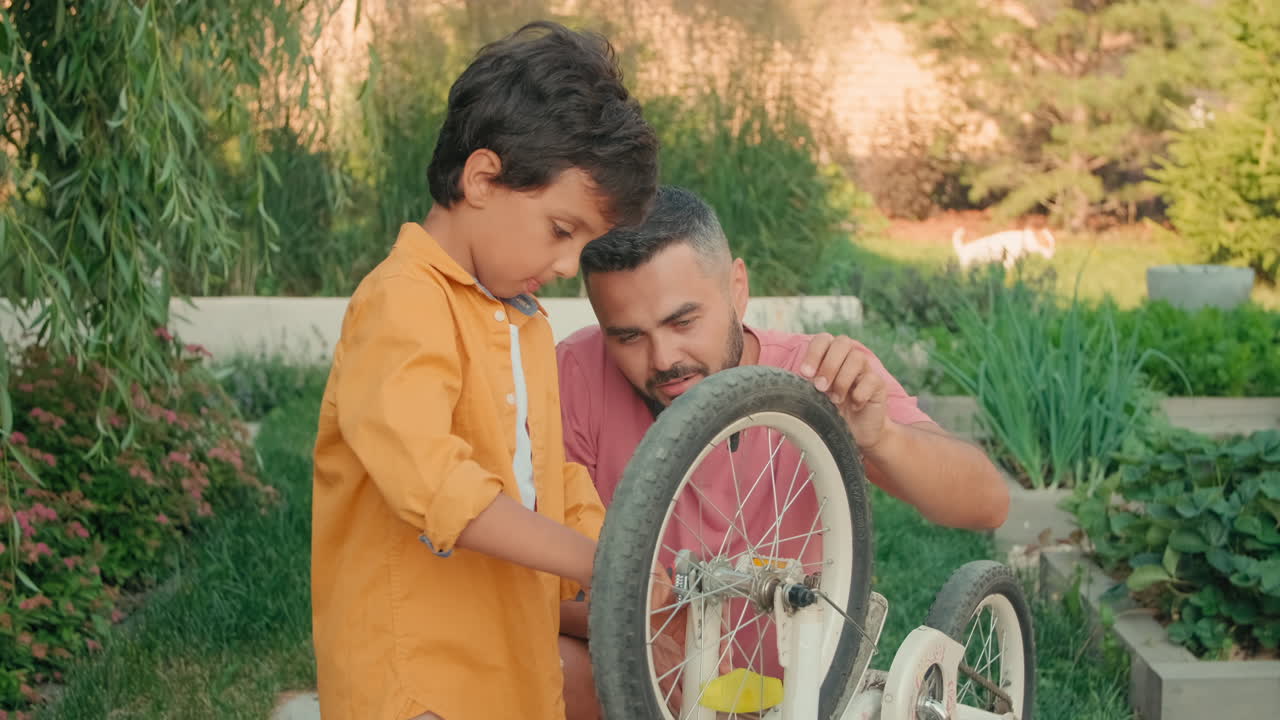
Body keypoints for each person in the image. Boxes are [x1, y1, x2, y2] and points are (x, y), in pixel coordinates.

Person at [309, 21, 658, 720]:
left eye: (585, 243)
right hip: (415, 681)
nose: (567, 266)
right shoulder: (402, 300)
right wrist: (593, 562)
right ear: (482, 179)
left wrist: (627, 555)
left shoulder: (522, 318)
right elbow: (433, 482)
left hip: (507, 666)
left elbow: (549, 472)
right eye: (563, 230)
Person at [555, 186, 1011, 719]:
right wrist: (648, 622)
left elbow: (987, 503)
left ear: (738, 289)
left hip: (792, 697)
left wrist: (882, 437)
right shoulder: (576, 375)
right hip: (634, 677)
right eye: (628, 336)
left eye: (683, 322)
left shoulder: (816, 375)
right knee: (551, 665)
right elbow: (531, 581)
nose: (664, 359)